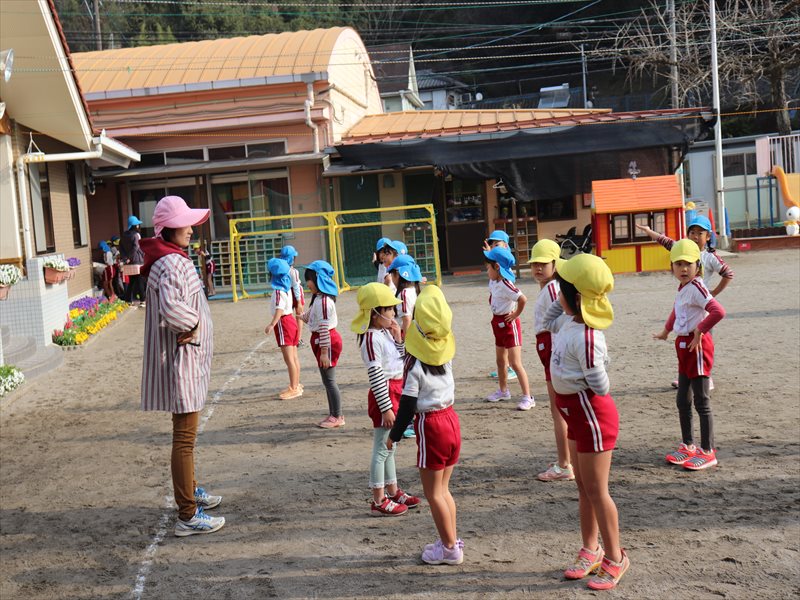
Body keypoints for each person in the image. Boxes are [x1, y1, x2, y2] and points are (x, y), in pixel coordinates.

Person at [139, 195, 225, 537]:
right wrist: (193, 324)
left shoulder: (169, 259)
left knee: (185, 435)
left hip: (185, 358)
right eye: (184, 224)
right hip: (183, 360)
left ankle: (190, 490)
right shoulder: (173, 263)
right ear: (169, 229)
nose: (191, 229)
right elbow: (173, 308)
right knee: (185, 438)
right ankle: (188, 513)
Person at [542, 253, 628, 590]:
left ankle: (616, 558)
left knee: (596, 490)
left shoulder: (587, 336)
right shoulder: (568, 322)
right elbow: (549, 319)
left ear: (576, 297)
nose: (556, 293)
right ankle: (591, 549)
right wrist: (567, 295)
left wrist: (572, 296)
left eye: (561, 288)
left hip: (592, 415)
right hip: (575, 413)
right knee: (583, 486)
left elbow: (601, 386)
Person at [389, 285, 462, 565]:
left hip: (431, 426)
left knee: (433, 494)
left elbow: (407, 407)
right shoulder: (446, 359)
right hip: (451, 420)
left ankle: (449, 548)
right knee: (444, 490)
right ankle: (451, 540)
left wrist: (394, 436)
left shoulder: (415, 368)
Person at [636, 215, 733, 388]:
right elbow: (665, 241)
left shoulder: (710, 257)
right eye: (692, 232)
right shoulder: (682, 250)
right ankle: (685, 376)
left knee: (703, 342)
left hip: (702, 305)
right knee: (685, 340)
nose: (695, 236)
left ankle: (706, 377)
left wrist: (713, 294)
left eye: (700, 233)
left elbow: (728, 274)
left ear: (708, 236)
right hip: (687, 299)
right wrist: (649, 231)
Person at [653, 239, 726, 471]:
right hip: (683, 346)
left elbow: (718, 311)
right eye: (678, 264)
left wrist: (700, 330)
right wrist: (666, 331)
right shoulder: (683, 287)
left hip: (697, 347)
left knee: (701, 401)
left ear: (698, 266)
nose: (683, 269)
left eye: (688, 264)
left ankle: (707, 451)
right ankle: (688, 446)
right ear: (671, 267)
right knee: (682, 400)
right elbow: (677, 310)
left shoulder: (697, 287)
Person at [351, 283, 420, 517]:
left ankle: (392, 490)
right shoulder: (371, 339)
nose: (393, 313)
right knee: (382, 448)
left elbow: (400, 360)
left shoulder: (385, 333)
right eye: (389, 309)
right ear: (374, 313)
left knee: (391, 446)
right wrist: (386, 408)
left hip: (396, 390)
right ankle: (379, 499)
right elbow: (376, 375)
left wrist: (398, 337)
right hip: (386, 394)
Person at [527, 239, 574, 482]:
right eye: (534, 263)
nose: (537, 268)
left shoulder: (553, 289)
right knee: (560, 409)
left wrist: (556, 357)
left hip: (554, 350)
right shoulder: (550, 287)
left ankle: (565, 464)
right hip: (551, 349)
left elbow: (562, 323)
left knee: (558, 411)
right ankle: (566, 459)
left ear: (555, 264)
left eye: (543, 264)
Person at [483, 246, 534, 410]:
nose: (487, 271)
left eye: (488, 268)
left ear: (497, 267)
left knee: (515, 363)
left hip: (509, 324)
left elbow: (523, 299)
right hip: (497, 323)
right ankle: (503, 391)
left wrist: (516, 314)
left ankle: (528, 397)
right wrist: (492, 252)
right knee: (500, 361)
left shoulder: (506, 284)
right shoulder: (494, 281)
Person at [302, 260, 345, 429]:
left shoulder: (324, 302)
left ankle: (337, 415)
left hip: (326, 342)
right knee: (327, 381)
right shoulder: (318, 299)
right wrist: (297, 315)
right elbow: (309, 317)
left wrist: (325, 353)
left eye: (309, 279)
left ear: (318, 279)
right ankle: (334, 414)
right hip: (321, 341)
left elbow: (324, 328)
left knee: (330, 381)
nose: (307, 283)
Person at [265, 257, 303, 400]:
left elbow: (279, 309)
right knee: (294, 357)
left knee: (289, 359)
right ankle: (296, 384)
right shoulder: (287, 289)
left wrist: (272, 324)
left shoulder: (278, 291)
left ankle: (293, 388)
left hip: (284, 323)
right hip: (291, 321)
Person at [484, 231, 517, 381]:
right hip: (498, 314)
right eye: (492, 245)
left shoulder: (505, 266)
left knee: (509, 344)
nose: (494, 247)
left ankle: (510, 368)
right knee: (502, 344)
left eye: (497, 244)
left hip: (507, 314)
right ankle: (504, 367)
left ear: (506, 246)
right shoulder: (496, 262)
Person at [280, 245, 306, 347]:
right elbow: (296, 287)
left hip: (286, 293)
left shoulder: (280, 269)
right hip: (295, 293)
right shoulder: (293, 271)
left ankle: (293, 338)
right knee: (299, 316)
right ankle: (298, 339)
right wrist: (299, 302)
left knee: (289, 316)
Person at [121, 215, 146, 306]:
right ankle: (142, 300)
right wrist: (131, 257)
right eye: (137, 224)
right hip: (136, 261)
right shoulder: (136, 235)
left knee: (131, 281)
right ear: (135, 225)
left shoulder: (123, 236)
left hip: (128, 262)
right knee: (139, 280)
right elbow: (136, 247)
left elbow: (121, 248)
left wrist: (125, 258)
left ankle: (128, 300)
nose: (138, 226)